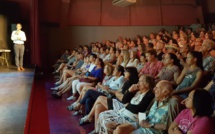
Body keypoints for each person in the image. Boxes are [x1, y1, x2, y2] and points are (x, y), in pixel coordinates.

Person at [113, 80, 180, 134]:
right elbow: (147, 111)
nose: (154, 89)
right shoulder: (156, 99)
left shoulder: (172, 103)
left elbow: (171, 126)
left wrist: (150, 125)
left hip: (152, 131)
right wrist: (142, 118)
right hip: (143, 125)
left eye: (157, 88)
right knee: (119, 129)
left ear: (165, 92)